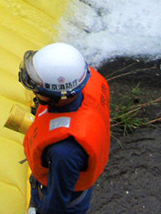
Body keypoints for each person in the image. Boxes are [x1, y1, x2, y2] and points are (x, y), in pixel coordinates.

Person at [18, 42, 111, 214]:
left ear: (57, 96)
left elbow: (57, 203)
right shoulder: (81, 85)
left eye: (36, 88)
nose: (33, 92)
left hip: (65, 198)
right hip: (65, 173)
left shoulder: (64, 151)